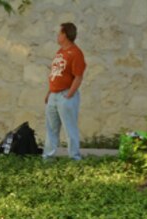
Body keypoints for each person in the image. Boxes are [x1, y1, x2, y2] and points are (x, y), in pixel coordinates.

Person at [44, 22, 85, 161]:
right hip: (54, 95)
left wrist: (70, 94)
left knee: (69, 129)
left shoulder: (76, 53)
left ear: (65, 35)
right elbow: (56, 73)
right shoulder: (60, 51)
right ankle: (48, 157)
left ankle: (74, 158)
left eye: (59, 33)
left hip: (65, 95)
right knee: (51, 128)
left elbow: (78, 76)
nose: (57, 35)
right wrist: (49, 92)